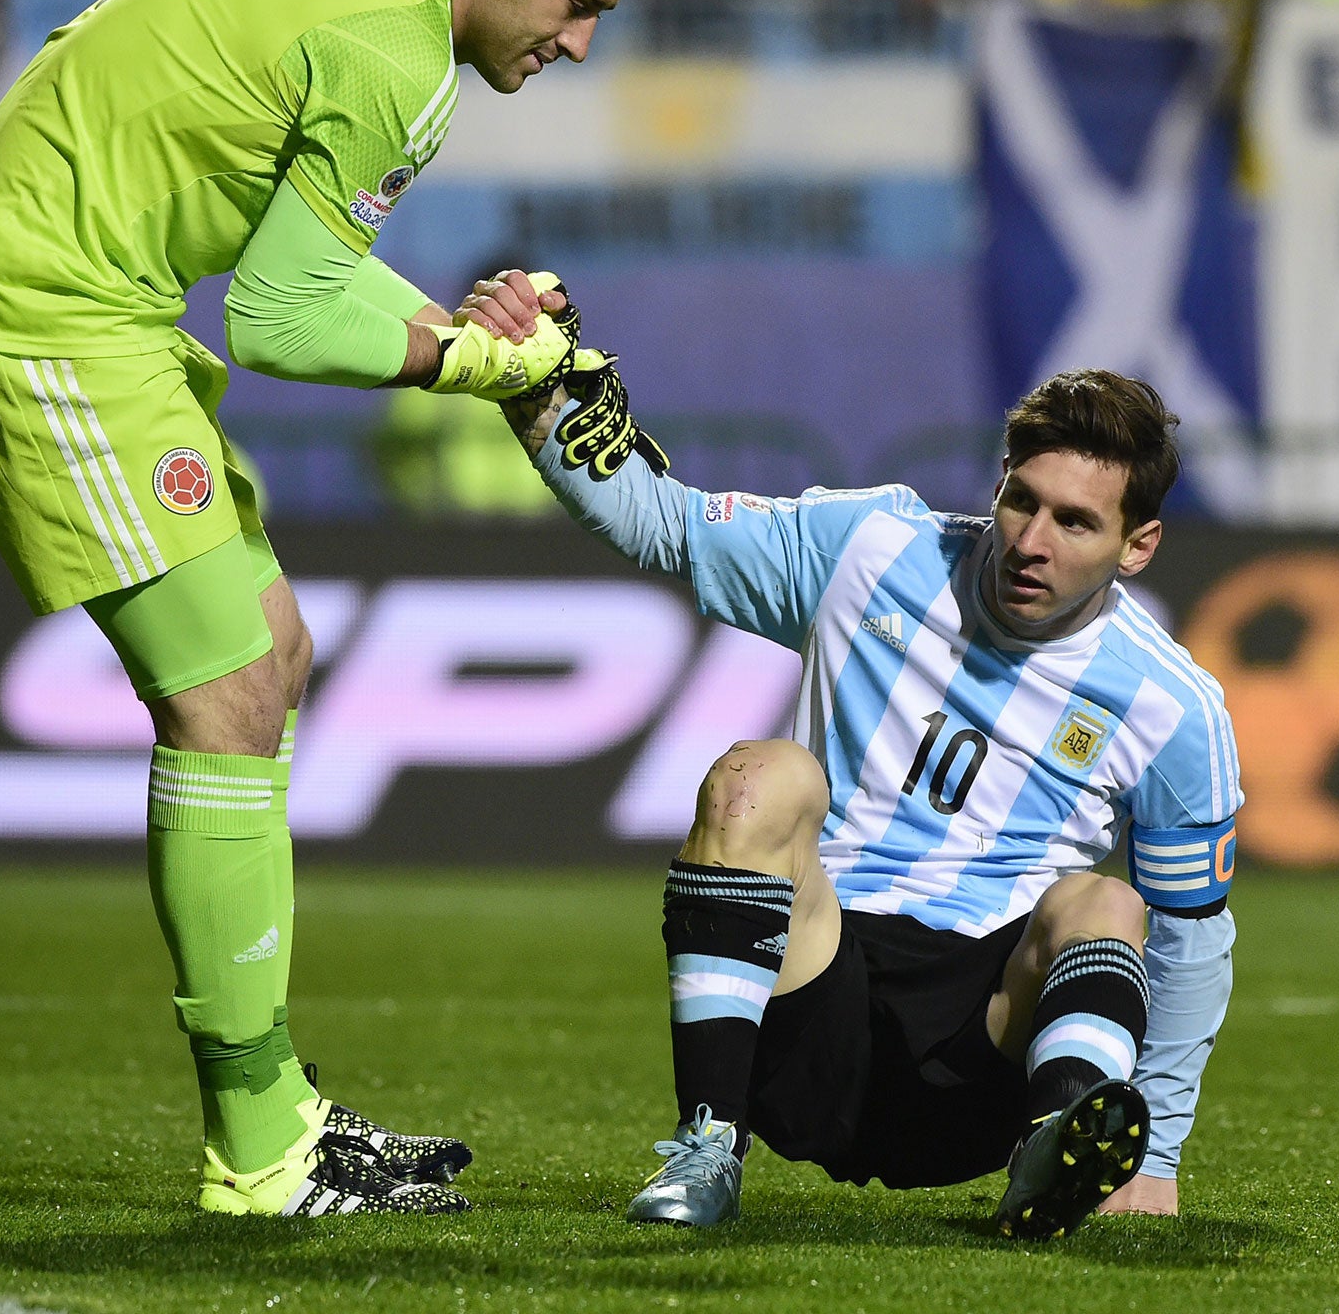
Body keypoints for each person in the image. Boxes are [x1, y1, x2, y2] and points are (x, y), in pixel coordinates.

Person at [0, 0, 648, 1219]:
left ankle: (275, 1108)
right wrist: (486, 364)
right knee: (223, 696)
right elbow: (279, 318)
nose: (580, 43)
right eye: (579, 4)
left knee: (271, 655)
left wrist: (452, 329)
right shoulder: (397, 55)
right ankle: (259, 1152)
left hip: (108, 301)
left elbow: (305, 265)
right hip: (49, 304)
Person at [494, 349, 1239, 1241]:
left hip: (982, 1057)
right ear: (998, 484)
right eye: (1021, 500)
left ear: (1138, 545)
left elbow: (1193, 942)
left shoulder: (1171, 706)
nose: (1032, 541)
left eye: (1076, 523)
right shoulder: (875, 549)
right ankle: (706, 1145)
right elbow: (671, 525)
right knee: (760, 775)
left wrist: (1157, 1159)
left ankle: (1055, 1150)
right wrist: (535, 400)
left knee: (1107, 901)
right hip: (814, 990)